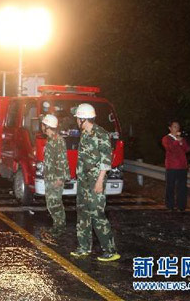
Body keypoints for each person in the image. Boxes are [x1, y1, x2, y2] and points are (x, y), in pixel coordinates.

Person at [70, 103, 120, 262]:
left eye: (78, 118)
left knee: (97, 214)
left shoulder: (101, 134)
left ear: (83, 119)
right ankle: (84, 247)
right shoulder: (85, 133)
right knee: (82, 212)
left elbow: (106, 160)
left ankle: (110, 250)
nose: (76, 121)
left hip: (95, 180)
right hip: (84, 180)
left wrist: (99, 181)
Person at [41, 114, 70, 238]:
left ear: (47, 126)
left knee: (55, 203)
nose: (41, 127)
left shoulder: (58, 140)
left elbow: (62, 160)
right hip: (50, 177)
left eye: (43, 124)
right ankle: (57, 225)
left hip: (55, 178)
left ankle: (59, 227)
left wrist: (59, 178)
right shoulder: (51, 139)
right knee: (51, 203)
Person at [162, 120, 190, 212]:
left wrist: (181, 142)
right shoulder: (166, 138)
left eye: (178, 127)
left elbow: (187, 149)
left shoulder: (181, 138)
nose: (177, 129)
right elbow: (170, 148)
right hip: (171, 166)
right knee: (170, 186)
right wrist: (176, 141)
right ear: (170, 128)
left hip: (182, 166)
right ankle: (170, 205)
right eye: (175, 127)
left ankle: (181, 206)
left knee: (182, 187)